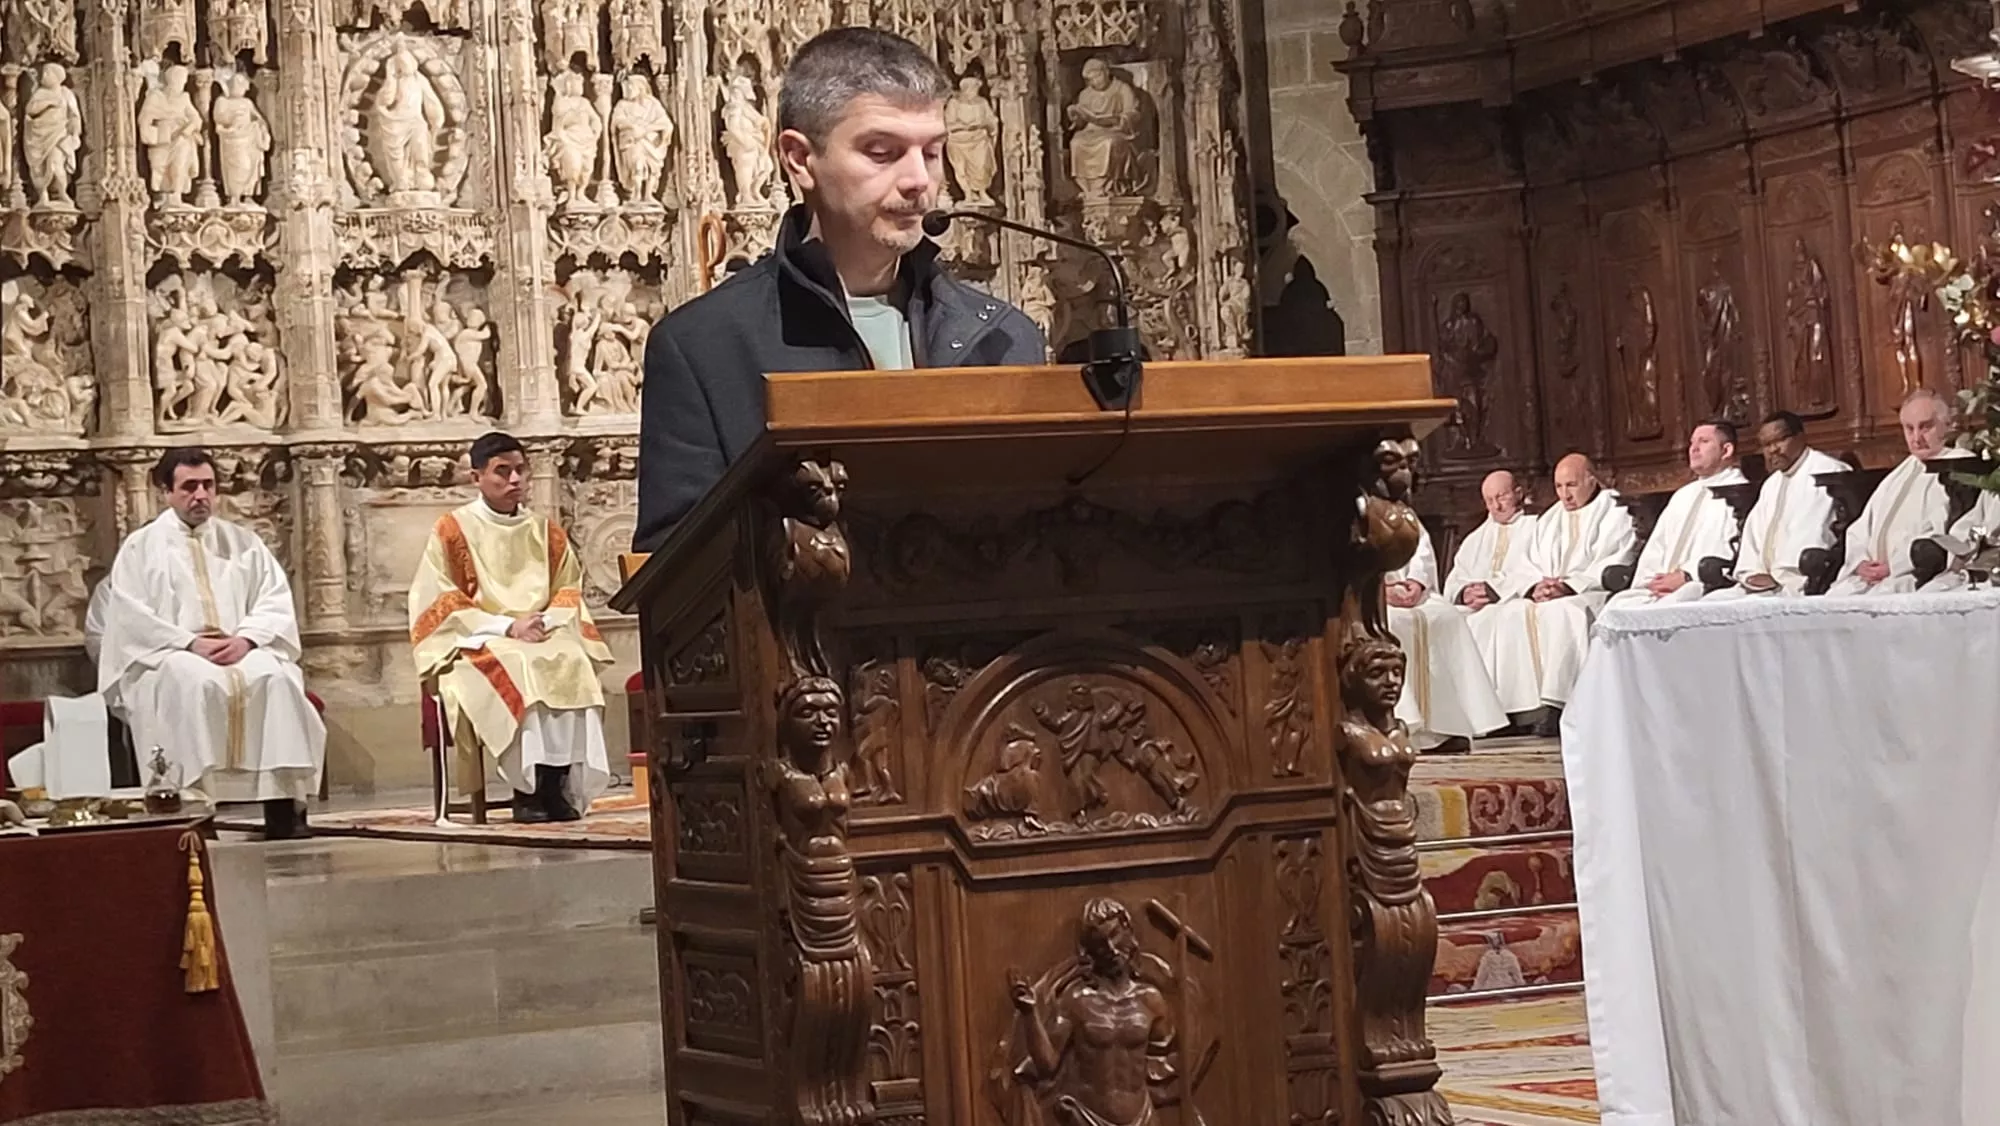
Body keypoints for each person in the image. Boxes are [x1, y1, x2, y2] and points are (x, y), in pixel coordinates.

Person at [636, 27, 1045, 551]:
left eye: (934, 153)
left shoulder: (1005, 338)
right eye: (883, 152)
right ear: (800, 160)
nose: (919, 179)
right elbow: (674, 576)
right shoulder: (702, 347)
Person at [96, 448, 324, 839]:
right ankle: (197, 813)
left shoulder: (243, 542)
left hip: (239, 647)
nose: (201, 495)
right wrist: (188, 643)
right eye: (189, 487)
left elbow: (273, 598)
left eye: (208, 485)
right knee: (195, 683)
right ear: (166, 492)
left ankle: (283, 809)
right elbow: (132, 618)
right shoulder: (141, 547)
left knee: (276, 679)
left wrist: (248, 639)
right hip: (171, 654)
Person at [409, 432, 614, 823]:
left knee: (571, 658)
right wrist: (508, 627)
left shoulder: (544, 529)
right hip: (476, 641)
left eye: (521, 470)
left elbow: (568, 588)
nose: (515, 480)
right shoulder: (452, 530)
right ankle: (527, 792)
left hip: (540, 633)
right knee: (521, 665)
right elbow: (441, 598)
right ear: (476, 477)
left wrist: (544, 623)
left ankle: (555, 786)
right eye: (502, 471)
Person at [1474, 453, 1637, 736]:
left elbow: (1617, 557)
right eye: (1559, 487)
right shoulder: (1551, 517)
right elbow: (1527, 562)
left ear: (1591, 479)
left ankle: (1559, 705)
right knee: (1509, 613)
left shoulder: (1614, 510)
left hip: (1591, 593)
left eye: (1571, 485)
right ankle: (1517, 711)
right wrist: (1535, 586)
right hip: (1550, 594)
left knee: (1565, 614)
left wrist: (1569, 585)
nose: (1565, 495)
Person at [1826, 388, 1969, 596]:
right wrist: (1860, 563)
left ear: (1945, 425)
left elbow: (1942, 531)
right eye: (1909, 429)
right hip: (1872, 576)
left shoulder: (1957, 464)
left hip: (1913, 575)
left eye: (1925, 427)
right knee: (1833, 601)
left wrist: (1894, 565)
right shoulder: (1901, 472)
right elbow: (1861, 527)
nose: (1917, 437)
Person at [1385, 521, 1507, 753]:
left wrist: (1417, 582)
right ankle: (1402, 727)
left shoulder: (1398, 507)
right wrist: (1380, 589)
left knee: (1447, 617)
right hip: (1370, 594)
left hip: (1410, 592)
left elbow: (1421, 545)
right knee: (1393, 624)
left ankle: (1444, 727)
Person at [1604, 421, 1748, 610]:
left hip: (1703, 583)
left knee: (1677, 605)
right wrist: (1653, 580)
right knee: (1616, 607)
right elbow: (1657, 545)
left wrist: (1687, 575)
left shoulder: (1738, 493)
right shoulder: (1683, 495)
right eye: (1691, 443)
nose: (1694, 449)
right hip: (1662, 585)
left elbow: (1731, 548)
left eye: (1703, 441)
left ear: (1726, 450)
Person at [1709, 411, 1850, 599]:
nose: (1772, 449)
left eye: (1780, 440)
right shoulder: (1772, 483)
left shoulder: (1828, 472)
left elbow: (1820, 531)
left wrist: (1782, 575)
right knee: (1713, 604)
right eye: (1766, 444)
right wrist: (1751, 572)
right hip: (1761, 583)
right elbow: (1754, 532)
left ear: (1801, 437)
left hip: (1798, 582)